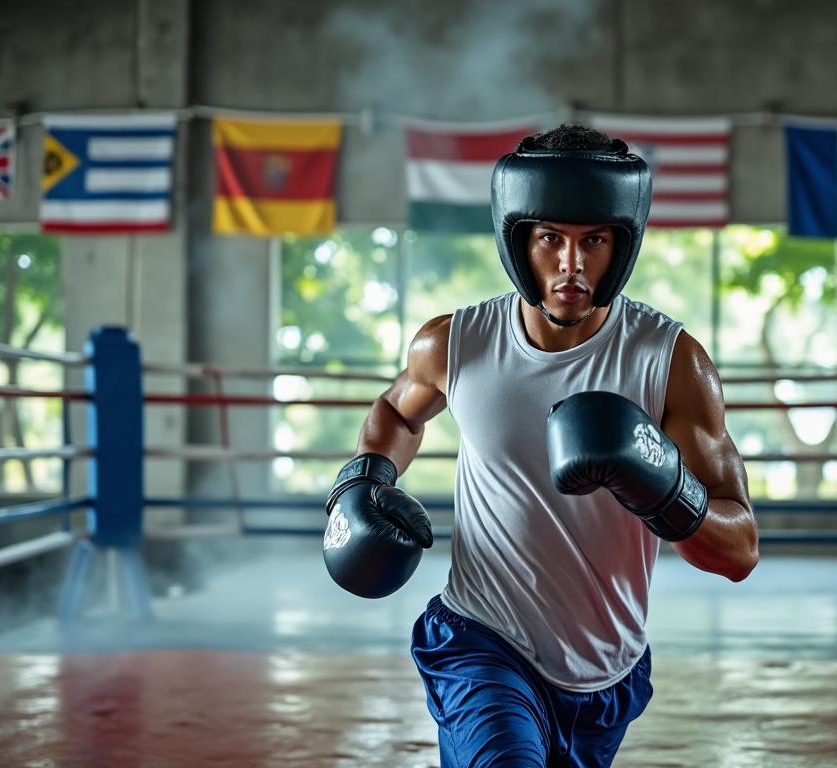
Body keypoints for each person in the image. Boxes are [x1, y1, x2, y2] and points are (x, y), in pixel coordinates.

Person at [321, 124, 758, 767]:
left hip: (605, 674)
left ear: (623, 245)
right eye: (551, 238)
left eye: (594, 241)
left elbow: (739, 549)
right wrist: (362, 484)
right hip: (481, 642)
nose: (572, 265)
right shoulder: (457, 343)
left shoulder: (670, 362)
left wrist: (662, 483)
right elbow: (396, 411)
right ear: (518, 240)